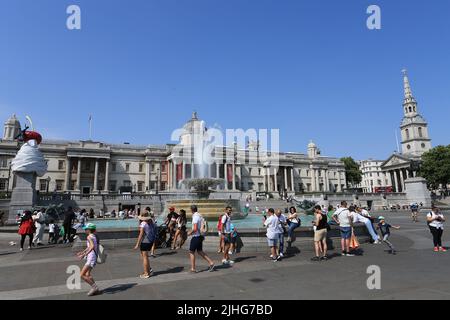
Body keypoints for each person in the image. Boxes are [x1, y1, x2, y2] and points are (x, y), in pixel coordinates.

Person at [187, 205, 215, 273]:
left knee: (191, 252)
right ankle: (211, 263)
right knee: (199, 251)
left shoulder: (195, 217)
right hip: (200, 236)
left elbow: (195, 228)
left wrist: (189, 233)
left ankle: (193, 268)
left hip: (196, 236)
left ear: (191, 210)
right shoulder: (200, 216)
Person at [76, 223, 101, 296]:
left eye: (86, 229)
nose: (85, 230)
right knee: (87, 274)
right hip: (93, 257)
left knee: (81, 275)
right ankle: (96, 290)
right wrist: (83, 252)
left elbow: (92, 246)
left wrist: (84, 255)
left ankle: (94, 288)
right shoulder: (94, 236)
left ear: (89, 230)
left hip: (91, 258)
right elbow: (90, 246)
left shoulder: (89, 237)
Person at [134, 212, 157, 278]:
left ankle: (146, 273)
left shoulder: (143, 223)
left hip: (145, 242)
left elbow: (140, 235)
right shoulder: (151, 222)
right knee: (145, 256)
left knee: (144, 258)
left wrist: (137, 244)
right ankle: (148, 270)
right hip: (150, 241)